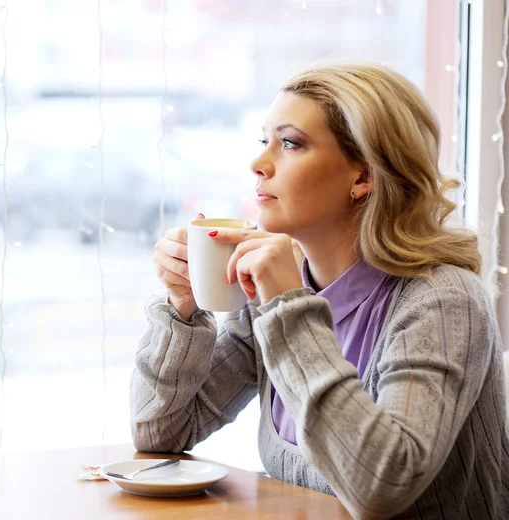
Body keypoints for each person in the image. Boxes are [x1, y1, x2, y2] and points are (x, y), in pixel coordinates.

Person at [129, 62, 509, 519]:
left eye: (290, 143)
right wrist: (183, 309)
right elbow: (161, 435)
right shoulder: (274, 293)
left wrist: (288, 308)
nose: (258, 163)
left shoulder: (442, 300)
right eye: (263, 141)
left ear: (363, 176)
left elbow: (379, 486)